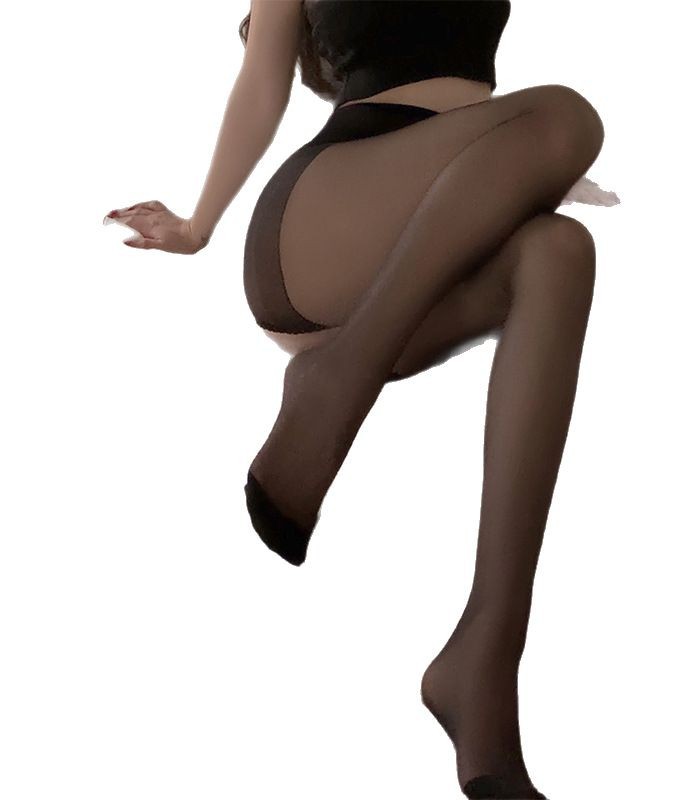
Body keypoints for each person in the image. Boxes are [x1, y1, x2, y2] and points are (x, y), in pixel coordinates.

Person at [103, 2, 620, 797]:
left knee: (560, 250)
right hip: (324, 215)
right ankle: (338, 378)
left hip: (428, 219)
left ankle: (483, 660)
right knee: (568, 116)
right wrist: (198, 226)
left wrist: (519, 169)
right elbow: (262, 83)